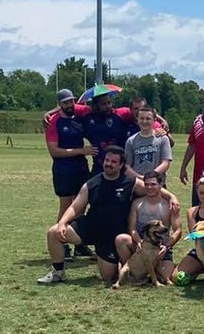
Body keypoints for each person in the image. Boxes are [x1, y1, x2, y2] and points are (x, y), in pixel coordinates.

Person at [38, 146, 135, 286]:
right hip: (90, 226)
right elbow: (74, 207)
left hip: (112, 236)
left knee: (107, 277)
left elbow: (153, 189)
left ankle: (118, 262)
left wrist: (171, 198)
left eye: (114, 162)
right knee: (53, 233)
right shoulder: (92, 184)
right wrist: (62, 223)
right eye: (107, 160)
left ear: (121, 165)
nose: (109, 164)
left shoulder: (130, 182)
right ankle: (57, 272)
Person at [43, 89, 96, 245]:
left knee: (81, 206)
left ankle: (79, 243)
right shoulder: (54, 122)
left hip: (80, 167)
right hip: (63, 169)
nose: (69, 105)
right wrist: (82, 151)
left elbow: (94, 109)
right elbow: (54, 151)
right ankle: (61, 242)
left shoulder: (78, 116)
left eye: (71, 101)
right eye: (65, 102)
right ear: (59, 104)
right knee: (66, 206)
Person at [120, 171, 182, 284]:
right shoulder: (137, 203)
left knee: (165, 278)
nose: (149, 187)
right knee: (121, 239)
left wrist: (166, 247)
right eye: (147, 184)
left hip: (160, 248)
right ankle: (132, 271)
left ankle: (149, 272)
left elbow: (178, 230)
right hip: (141, 247)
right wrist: (138, 241)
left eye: (153, 184)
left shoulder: (169, 206)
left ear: (161, 185)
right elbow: (132, 228)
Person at [125, 106, 172, 186]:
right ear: (137, 119)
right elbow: (127, 166)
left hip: (157, 183)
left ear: (154, 120)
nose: (144, 121)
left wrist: (151, 176)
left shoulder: (162, 139)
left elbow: (165, 163)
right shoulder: (131, 141)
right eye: (141, 118)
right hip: (138, 183)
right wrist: (140, 177)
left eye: (148, 118)